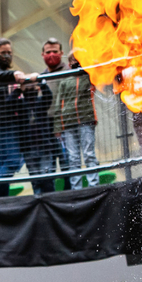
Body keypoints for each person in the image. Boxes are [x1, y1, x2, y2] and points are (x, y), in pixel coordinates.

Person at [0, 38, 35, 197]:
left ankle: (0, 199)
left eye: (9, 53)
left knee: (6, 160)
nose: (7, 56)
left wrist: (19, 90)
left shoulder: (1, 73)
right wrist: (13, 74)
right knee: (12, 160)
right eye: (3, 53)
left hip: (5, 121)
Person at [49, 50, 99, 190]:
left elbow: (98, 74)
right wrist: (58, 127)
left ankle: (93, 185)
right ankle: (76, 188)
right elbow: (59, 103)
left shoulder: (89, 77)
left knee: (89, 154)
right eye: (73, 60)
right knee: (73, 157)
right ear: (69, 62)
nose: (75, 62)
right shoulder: (65, 80)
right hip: (68, 123)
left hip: (86, 120)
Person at [40, 39, 71, 190]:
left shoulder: (68, 72)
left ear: (61, 53)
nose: (51, 54)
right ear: (42, 54)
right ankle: (49, 193)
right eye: (48, 52)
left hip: (65, 123)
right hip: (47, 124)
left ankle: (68, 191)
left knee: (67, 160)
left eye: (55, 51)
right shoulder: (41, 77)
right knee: (48, 161)